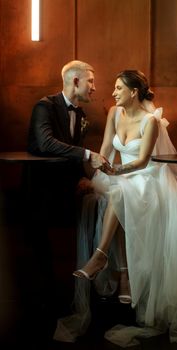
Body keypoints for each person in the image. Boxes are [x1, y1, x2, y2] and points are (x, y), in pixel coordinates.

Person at [55, 70, 177, 344]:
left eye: (118, 88)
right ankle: (120, 274)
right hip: (119, 175)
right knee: (103, 196)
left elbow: (144, 161)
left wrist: (115, 171)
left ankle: (102, 258)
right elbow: (104, 151)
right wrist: (96, 174)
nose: (112, 93)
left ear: (133, 92)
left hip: (147, 178)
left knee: (119, 193)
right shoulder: (114, 113)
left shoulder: (151, 122)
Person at [25, 60, 110, 340]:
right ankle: (43, 302)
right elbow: (45, 143)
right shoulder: (44, 107)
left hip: (66, 191)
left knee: (105, 204)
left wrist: (81, 179)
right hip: (40, 193)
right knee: (41, 248)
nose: (95, 87)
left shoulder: (81, 113)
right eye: (91, 82)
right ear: (75, 82)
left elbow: (69, 156)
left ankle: (99, 290)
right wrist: (87, 155)